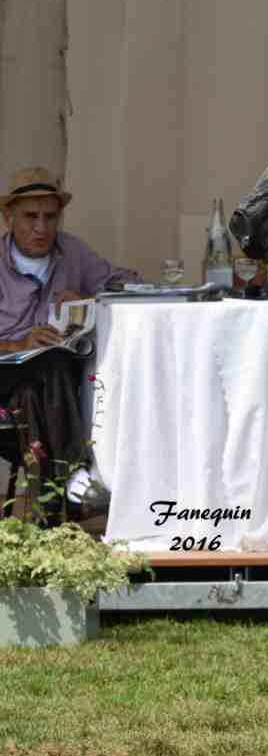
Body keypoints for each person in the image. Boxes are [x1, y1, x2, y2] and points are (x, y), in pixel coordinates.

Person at [0, 167, 140, 517]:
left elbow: (129, 282)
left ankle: (48, 511)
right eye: (31, 216)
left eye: (51, 217)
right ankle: (77, 474)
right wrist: (18, 345)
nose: (42, 228)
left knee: (40, 386)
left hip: (45, 391)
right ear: (8, 218)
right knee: (51, 363)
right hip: (3, 377)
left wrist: (89, 298)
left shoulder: (72, 252)